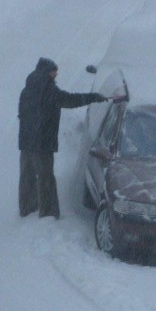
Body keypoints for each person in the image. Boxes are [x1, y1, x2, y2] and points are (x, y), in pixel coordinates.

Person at [18, 57, 107, 219]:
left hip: (26, 141)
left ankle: (26, 207)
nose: (56, 73)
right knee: (46, 178)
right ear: (47, 72)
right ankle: (49, 214)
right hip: (42, 143)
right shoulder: (48, 89)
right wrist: (93, 97)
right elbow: (70, 100)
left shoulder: (27, 88)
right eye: (54, 70)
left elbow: (21, 114)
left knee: (27, 176)